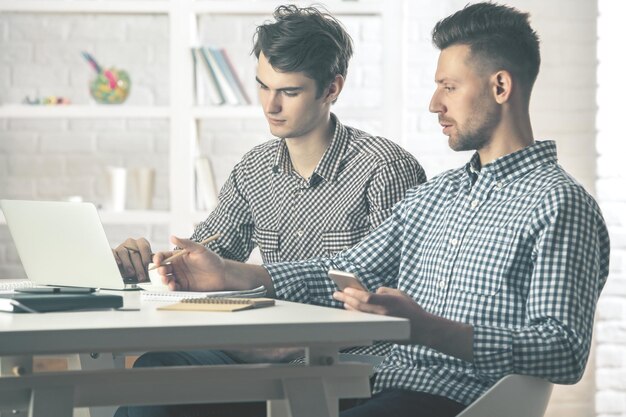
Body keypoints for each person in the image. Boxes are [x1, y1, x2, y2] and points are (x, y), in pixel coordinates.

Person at [129, 2, 610, 417]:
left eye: (449, 86)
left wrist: (426, 329)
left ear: (500, 87)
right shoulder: (437, 196)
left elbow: (562, 351)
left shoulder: (559, 204)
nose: (433, 103)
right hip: (373, 386)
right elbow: (341, 273)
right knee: (164, 389)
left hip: (456, 399)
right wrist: (231, 274)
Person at [114, 6, 424, 416]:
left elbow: (404, 297)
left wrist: (292, 341)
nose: (270, 105)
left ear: (332, 88)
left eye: (289, 92)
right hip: (261, 355)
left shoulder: (384, 168)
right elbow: (210, 254)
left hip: (354, 363)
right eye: (263, 86)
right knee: (158, 370)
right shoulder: (254, 170)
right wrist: (155, 263)